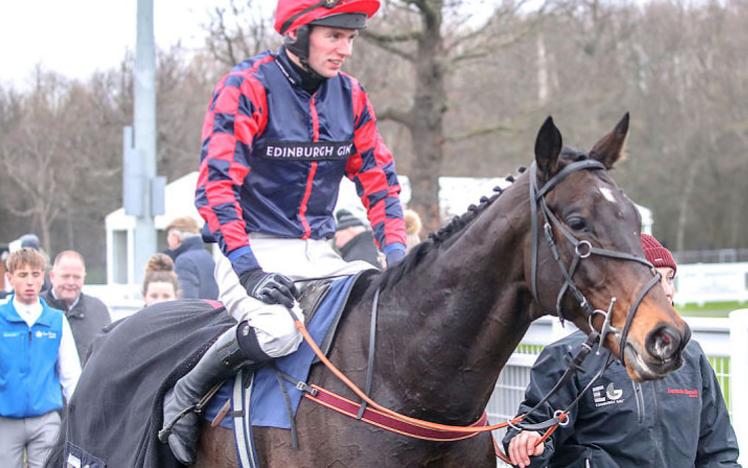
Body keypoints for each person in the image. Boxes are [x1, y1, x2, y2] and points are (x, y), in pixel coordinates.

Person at [161, 0, 407, 463]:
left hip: (319, 249)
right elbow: (217, 188)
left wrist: (396, 253)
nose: (345, 50)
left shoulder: (351, 96)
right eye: (334, 36)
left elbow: (380, 181)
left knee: (375, 314)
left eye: (351, 38)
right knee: (277, 331)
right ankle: (187, 393)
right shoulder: (247, 86)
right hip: (251, 246)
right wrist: (248, 269)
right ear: (298, 33)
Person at [503, 234, 740, 468]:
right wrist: (528, 442)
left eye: (670, 279)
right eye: (655, 279)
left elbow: (718, 452)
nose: (667, 291)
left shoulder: (690, 355)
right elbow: (534, 428)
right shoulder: (569, 355)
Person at [0, 248, 81, 467]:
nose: (29, 282)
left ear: (43, 278)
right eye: (22, 275)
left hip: (45, 418)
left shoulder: (56, 320)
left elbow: (71, 374)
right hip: (5, 418)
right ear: (10, 278)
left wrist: (79, 414)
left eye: (35, 275)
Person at [42, 250, 111, 364]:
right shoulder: (38, 307)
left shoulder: (98, 310)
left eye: (77, 277)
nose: (71, 282)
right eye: (65, 276)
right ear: (52, 276)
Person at [164, 216, 219, 300]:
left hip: (194, 312)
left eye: (169, 236)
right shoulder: (207, 256)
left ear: (175, 237)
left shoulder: (184, 261)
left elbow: (186, 301)